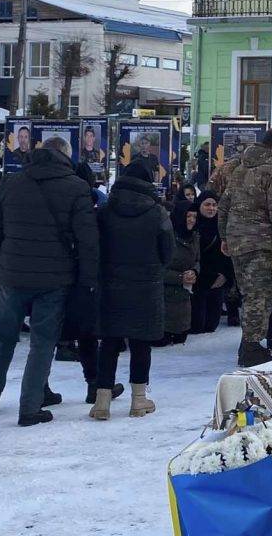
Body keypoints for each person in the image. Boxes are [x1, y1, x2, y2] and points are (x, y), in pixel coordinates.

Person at [0, 136, 99, 427]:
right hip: (54, 278)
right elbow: (87, 239)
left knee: (2, 337)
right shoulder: (76, 187)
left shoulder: (11, 182)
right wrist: (87, 280)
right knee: (43, 342)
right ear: (66, 156)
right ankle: (30, 406)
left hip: (10, 274)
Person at [90, 162, 174, 420]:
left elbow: (94, 247)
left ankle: (102, 402)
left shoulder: (104, 211)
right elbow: (167, 252)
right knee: (141, 343)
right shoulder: (157, 213)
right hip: (145, 286)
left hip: (110, 284)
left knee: (109, 343)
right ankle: (138, 400)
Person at [218, 128, 272, 366]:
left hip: (237, 241)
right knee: (259, 296)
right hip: (262, 243)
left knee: (248, 294)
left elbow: (224, 206)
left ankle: (247, 344)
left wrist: (224, 237)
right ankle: (251, 348)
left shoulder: (240, 170)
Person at [191, 190, 234, 334]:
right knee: (197, 326)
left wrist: (225, 275)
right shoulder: (193, 226)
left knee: (210, 326)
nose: (211, 208)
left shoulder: (223, 227)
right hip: (197, 281)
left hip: (217, 280)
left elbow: (229, 255)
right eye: (207, 205)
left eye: (215, 205)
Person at [159, 199, 199, 347]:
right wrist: (179, 278)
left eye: (194, 217)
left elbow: (197, 260)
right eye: (188, 216)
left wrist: (194, 272)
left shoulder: (194, 236)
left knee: (180, 338)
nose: (191, 220)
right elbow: (158, 268)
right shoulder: (167, 236)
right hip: (165, 297)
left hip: (183, 298)